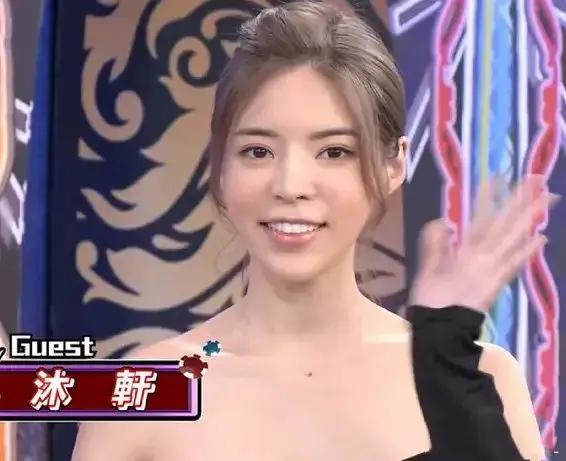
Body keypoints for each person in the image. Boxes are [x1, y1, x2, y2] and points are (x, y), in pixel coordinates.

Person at [72, 2, 553, 460]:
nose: (291, 186)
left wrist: (446, 370)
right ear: (220, 163)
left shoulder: (480, 376)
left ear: (394, 164)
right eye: (258, 152)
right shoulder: (142, 394)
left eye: (334, 152)